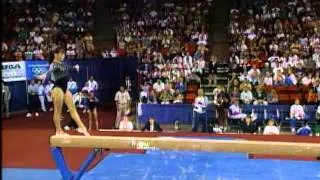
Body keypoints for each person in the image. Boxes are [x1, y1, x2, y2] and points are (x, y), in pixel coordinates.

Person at [41, 47, 89, 136]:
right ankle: (58, 131)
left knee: (73, 109)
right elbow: (50, 75)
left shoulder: (62, 65)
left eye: (64, 53)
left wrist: (74, 67)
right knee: (57, 111)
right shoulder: (53, 65)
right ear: (56, 54)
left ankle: (82, 127)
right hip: (57, 88)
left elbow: (66, 69)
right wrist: (45, 80)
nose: (63, 55)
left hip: (65, 89)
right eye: (61, 53)